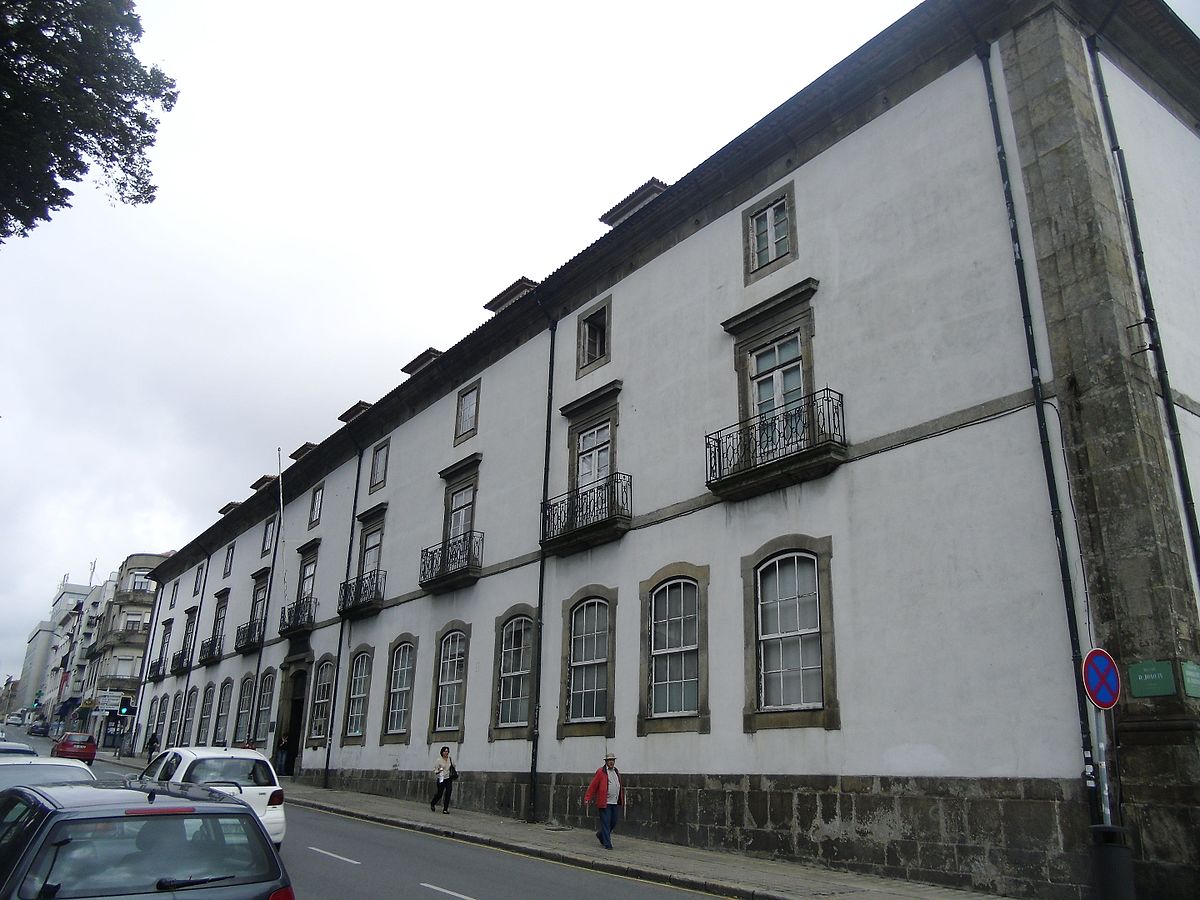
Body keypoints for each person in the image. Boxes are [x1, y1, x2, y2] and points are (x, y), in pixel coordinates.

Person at [584, 752, 624, 850]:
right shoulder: (601, 772)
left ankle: (601, 835)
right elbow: (593, 786)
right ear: (606, 762)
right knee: (606, 822)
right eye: (609, 760)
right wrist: (587, 797)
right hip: (605, 802)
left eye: (613, 760)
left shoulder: (616, 771)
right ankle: (607, 843)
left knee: (613, 822)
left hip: (614, 802)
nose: (611, 762)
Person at [429, 746, 455, 814]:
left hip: (449, 778)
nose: (446, 752)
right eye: (445, 751)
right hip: (441, 778)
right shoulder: (439, 760)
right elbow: (435, 770)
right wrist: (439, 771)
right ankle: (433, 803)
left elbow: (453, 766)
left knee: (448, 793)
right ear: (442, 752)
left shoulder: (450, 759)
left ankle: (445, 809)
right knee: (440, 794)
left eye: (447, 751)